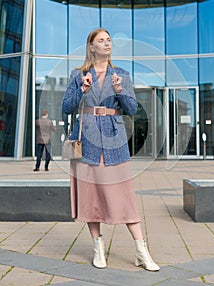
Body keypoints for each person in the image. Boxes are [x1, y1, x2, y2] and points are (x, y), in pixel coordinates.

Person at [62, 28, 160, 271]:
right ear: (91, 47)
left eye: (109, 40)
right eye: (101, 41)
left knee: (124, 198)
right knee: (90, 198)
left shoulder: (122, 74)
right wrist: (82, 90)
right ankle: (98, 248)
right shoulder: (79, 75)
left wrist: (119, 90)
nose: (107, 44)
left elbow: (133, 109)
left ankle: (141, 251)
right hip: (86, 141)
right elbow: (66, 107)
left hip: (114, 140)